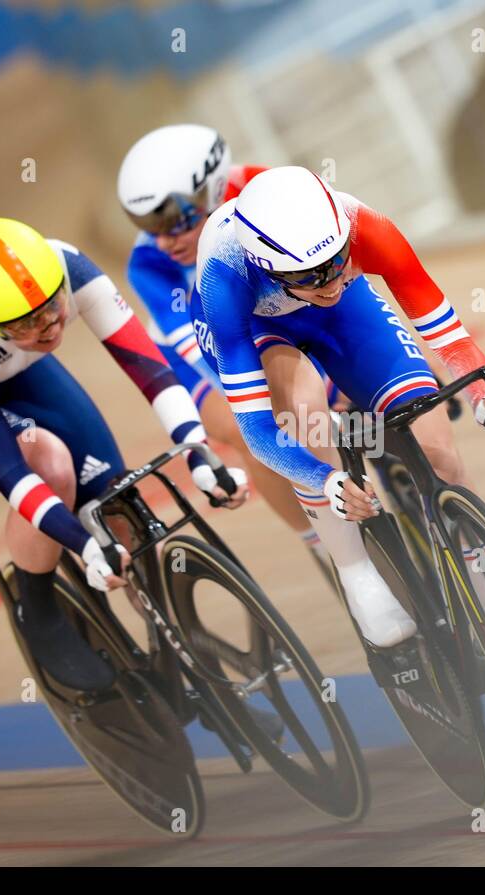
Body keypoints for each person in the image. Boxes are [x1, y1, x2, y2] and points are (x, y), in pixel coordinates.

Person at [189, 166, 485, 708]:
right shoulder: (224, 278)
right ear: (267, 264)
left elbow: (444, 331)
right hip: (262, 326)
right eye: (310, 277)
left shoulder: (363, 226)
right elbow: (257, 432)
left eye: (335, 265)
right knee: (304, 415)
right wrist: (321, 479)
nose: (327, 283)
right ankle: (358, 577)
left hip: (347, 317)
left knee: (439, 450)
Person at [0, 217, 247, 692]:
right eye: (29, 322)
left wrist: (198, 452)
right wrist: (84, 543)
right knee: (48, 462)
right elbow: (10, 470)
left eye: (53, 308)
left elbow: (153, 373)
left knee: (114, 499)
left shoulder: (65, 265)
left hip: (9, 366)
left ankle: (189, 674)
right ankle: (39, 612)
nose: (49, 327)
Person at [117, 125, 334, 571]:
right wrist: (273, 410)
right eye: (148, 227)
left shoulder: (266, 186)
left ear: (214, 192)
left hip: (270, 317)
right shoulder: (148, 265)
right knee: (246, 425)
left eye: (174, 221)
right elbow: (208, 357)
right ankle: (321, 545)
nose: (163, 241)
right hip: (195, 351)